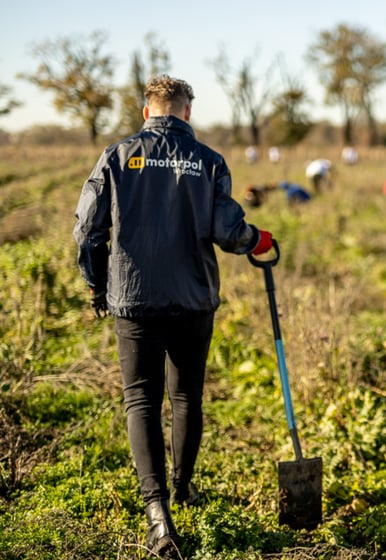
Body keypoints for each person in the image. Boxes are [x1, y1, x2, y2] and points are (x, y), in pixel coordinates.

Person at [73, 74, 275, 557]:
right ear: (187, 112)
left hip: (134, 300)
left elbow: (86, 232)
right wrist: (258, 240)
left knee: (140, 401)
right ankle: (183, 489)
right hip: (192, 300)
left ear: (148, 112)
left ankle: (157, 513)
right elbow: (229, 231)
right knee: (186, 397)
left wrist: (97, 284)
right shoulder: (208, 161)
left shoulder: (117, 156)